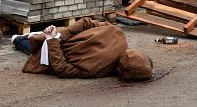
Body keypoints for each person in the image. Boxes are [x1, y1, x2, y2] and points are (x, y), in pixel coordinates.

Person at [12, 17, 154, 80]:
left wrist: (57, 37)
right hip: (52, 47)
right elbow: (62, 69)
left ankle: (22, 38)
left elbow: (86, 22)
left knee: (26, 41)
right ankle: (22, 39)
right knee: (25, 42)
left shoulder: (118, 33)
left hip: (53, 44)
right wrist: (55, 39)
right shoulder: (99, 71)